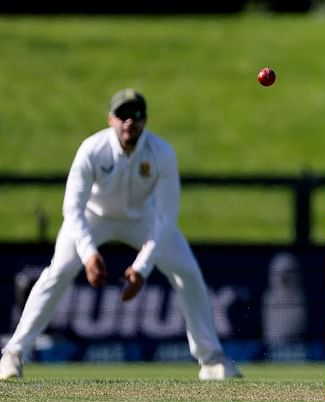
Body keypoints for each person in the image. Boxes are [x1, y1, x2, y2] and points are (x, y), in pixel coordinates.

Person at [0, 89, 242, 381]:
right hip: (93, 218)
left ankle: (212, 360)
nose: (130, 121)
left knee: (187, 272)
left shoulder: (161, 153)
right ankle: (13, 354)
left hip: (143, 219)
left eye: (137, 115)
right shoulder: (92, 149)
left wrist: (141, 268)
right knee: (59, 271)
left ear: (145, 120)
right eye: (123, 115)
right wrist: (89, 254)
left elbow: (166, 218)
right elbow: (73, 209)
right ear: (111, 119)